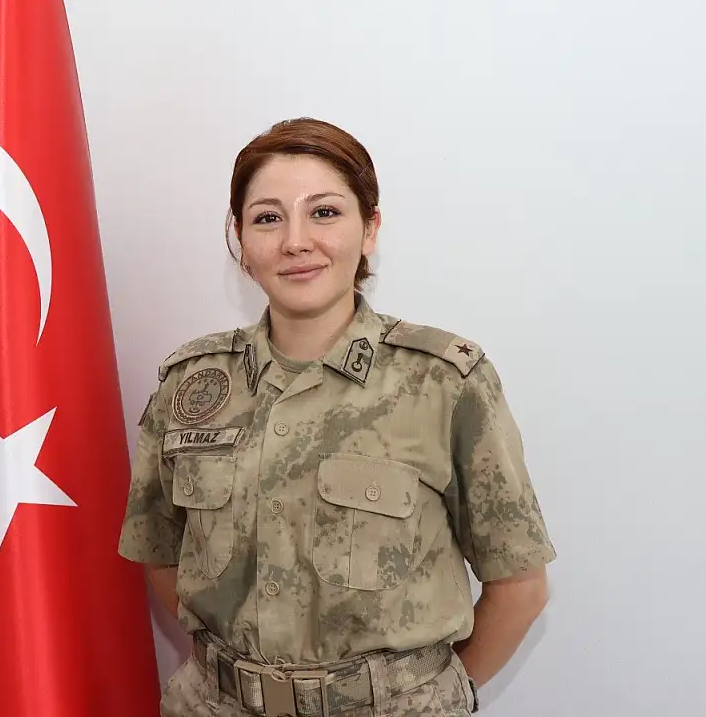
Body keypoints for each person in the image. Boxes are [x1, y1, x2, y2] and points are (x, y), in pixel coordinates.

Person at [117, 117, 556, 716]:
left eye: (324, 212)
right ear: (240, 240)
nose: (296, 241)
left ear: (370, 227)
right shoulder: (192, 385)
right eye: (267, 218)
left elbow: (520, 587)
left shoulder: (443, 382)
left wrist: (431, 700)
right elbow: (162, 555)